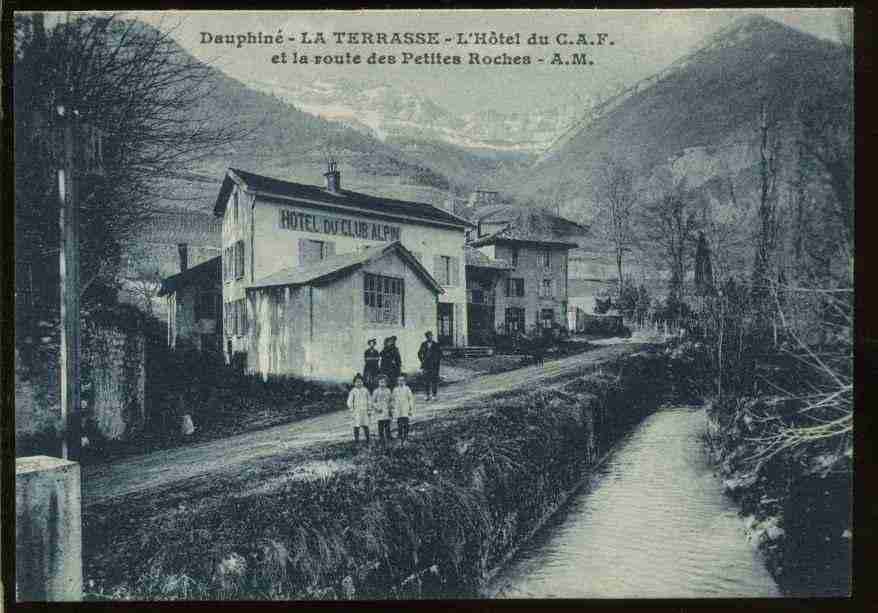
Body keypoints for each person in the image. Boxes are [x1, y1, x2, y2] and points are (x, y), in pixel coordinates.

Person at [347, 373, 371, 444]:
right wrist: (352, 409)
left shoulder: (365, 390)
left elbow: (369, 400)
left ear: (363, 382)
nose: (359, 383)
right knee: (356, 425)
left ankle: (368, 439)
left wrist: (369, 409)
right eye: (357, 382)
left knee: (365, 425)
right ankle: (356, 440)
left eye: (360, 381)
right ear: (354, 383)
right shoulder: (353, 391)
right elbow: (349, 401)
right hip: (356, 411)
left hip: (364, 410)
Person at [418, 330, 441, 401]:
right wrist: (422, 360)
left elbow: (440, 354)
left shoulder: (436, 344)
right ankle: (427, 395)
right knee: (426, 380)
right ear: (426, 337)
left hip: (434, 366)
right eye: (428, 336)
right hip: (426, 365)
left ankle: (434, 395)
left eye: (431, 336)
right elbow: (419, 353)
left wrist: (436, 361)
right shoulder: (423, 344)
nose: (430, 337)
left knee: (434, 380)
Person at [392, 373, 415, 442]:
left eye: (402, 380)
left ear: (405, 381)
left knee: (406, 422)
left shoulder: (407, 389)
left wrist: (411, 408)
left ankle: (406, 434)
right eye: (399, 380)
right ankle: (400, 434)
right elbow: (393, 399)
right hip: (398, 408)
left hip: (405, 407)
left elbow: (410, 398)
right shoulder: (395, 389)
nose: (401, 382)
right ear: (397, 381)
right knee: (399, 422)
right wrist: (393, 408)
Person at [371, 374, 393, 443]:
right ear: (378, 383)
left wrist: (390, 408)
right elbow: (373, 402)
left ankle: (388, 435)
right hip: (379, 409)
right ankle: (381, 437)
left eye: (384, 382)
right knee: (380, 424)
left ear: (386, 383)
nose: (382, 384)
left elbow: (391, 400)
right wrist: (377, 408)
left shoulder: (388, 390)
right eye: (381, 382)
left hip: (386, 409)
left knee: (387, 423)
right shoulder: (376, 391)